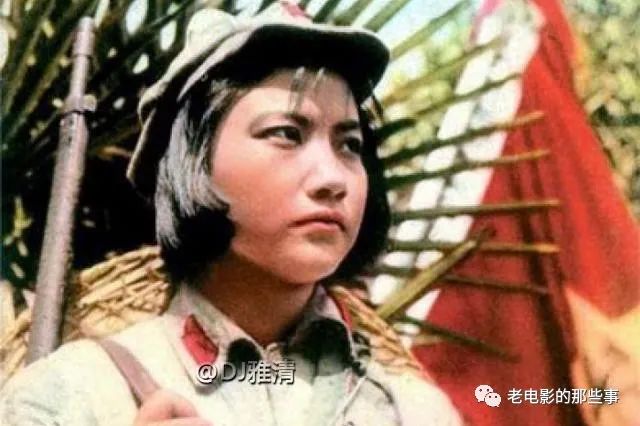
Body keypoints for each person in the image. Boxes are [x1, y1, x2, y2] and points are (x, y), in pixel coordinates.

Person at [0, 3, 463, 425]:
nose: (332, 177)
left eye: (350, 145)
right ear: (192, 161)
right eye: (286, 133)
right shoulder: (72, 396)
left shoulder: (415, 411)